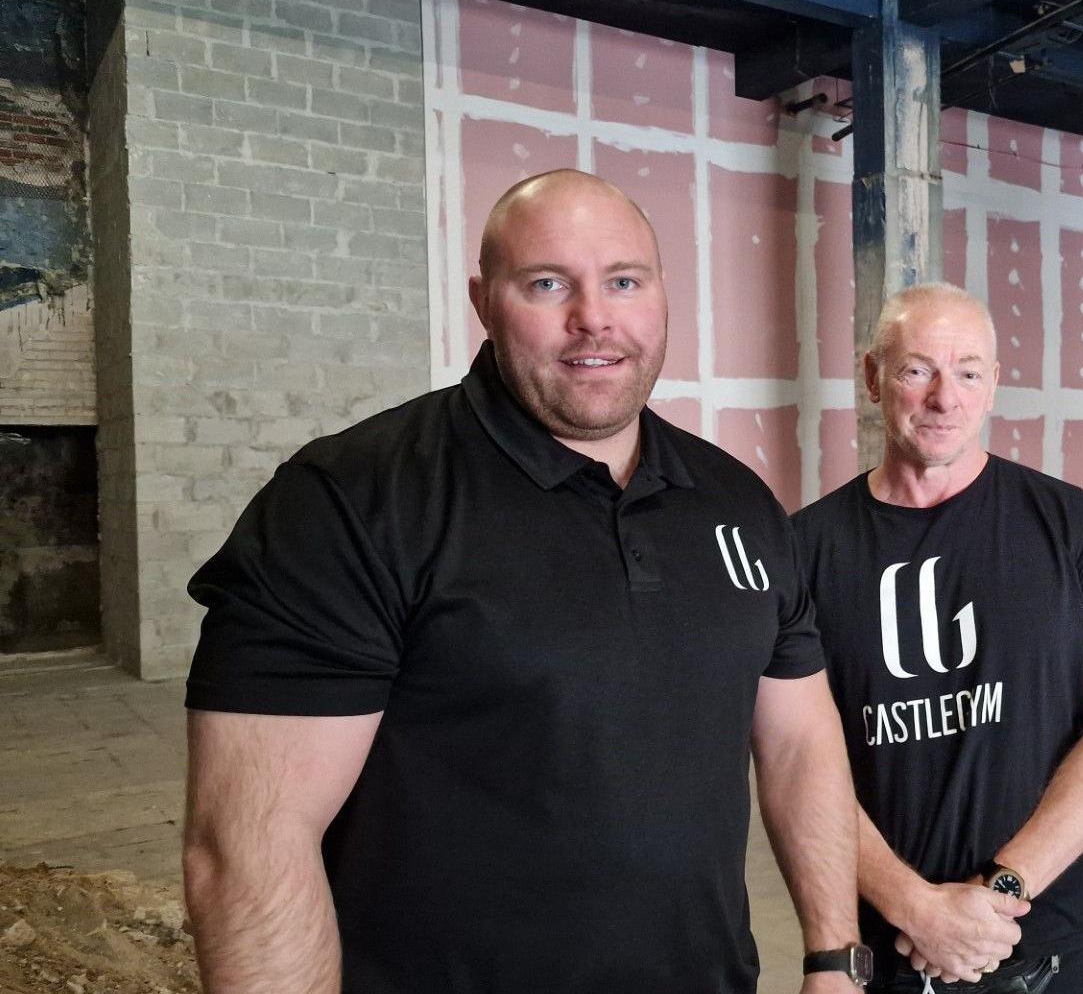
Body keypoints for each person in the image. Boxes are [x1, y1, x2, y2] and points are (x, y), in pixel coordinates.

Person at [181, 169, 870, 993]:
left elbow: (798, 740)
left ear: (661, 295)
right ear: (484, 301)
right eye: (548, 284)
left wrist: (836, 959)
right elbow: (249, 845)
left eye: (624, 281)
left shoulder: (737, 502)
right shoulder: (352, 501)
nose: (595, 319)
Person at [792, 283, 1083, 994]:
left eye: (966, 371)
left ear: (992, 385)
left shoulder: (1070, 525)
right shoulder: (804, 551)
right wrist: (916, 909)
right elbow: (799, 763)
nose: (943, 397)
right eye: (916, 369)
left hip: (1044, 944)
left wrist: (999, 893)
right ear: (872, 377)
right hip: (888, 949)